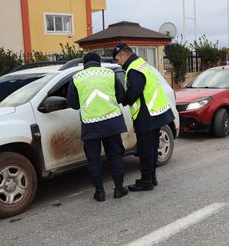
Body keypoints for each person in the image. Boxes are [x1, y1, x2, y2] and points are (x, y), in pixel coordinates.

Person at [112, 43, 175, 191]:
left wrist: (124, 99)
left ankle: (146, 181)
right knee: (152, 148)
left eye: (117, 59)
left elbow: (134, 93)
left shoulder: (133, 70)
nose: (118, 63)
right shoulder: (142, 64)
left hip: (146, 115)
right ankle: (151, 178)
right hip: (156, 112)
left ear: (122, 55)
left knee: (146, 150)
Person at [66, 52, 129, 201]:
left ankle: (99, 192)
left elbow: (73, 104)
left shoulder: (77, 78)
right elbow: (121, 97)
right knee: (115, 156)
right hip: (112, 122)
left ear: (84, 64)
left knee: (94, 160)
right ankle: (119, 189)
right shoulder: (109, 74)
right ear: (98, 62)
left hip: (90, 125)